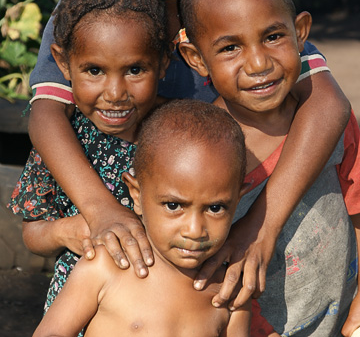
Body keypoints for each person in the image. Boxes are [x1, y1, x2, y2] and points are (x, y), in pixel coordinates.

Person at [26, 0, 350, 303]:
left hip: (221, 205)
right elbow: (46, 112)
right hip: (130, 209)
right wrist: (100, 210)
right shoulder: (90, 4)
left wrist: (259, 229)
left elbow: (328, 103)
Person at [179, 0, 360, 336]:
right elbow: (200, 272)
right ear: (197, 59)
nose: (259, 63)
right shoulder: (202, 156)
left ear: (301, 32)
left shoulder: (328, 124)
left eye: (273, 36)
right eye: (230, 48)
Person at [8, 0, 170, 316]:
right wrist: (68, 230)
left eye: (135, 70)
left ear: (164, 64)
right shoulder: (64, 142)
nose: (114, 93)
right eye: (94, 71)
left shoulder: (178, 134)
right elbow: (33, 231)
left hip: (163, 307)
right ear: (63, 63)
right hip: (82, 311)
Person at [32, 99, 251, 337]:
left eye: (216, 208)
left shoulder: (228, 292)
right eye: (174, 205)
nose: (194, 229)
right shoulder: (106, 266)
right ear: (136, 195)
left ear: (237, 200)